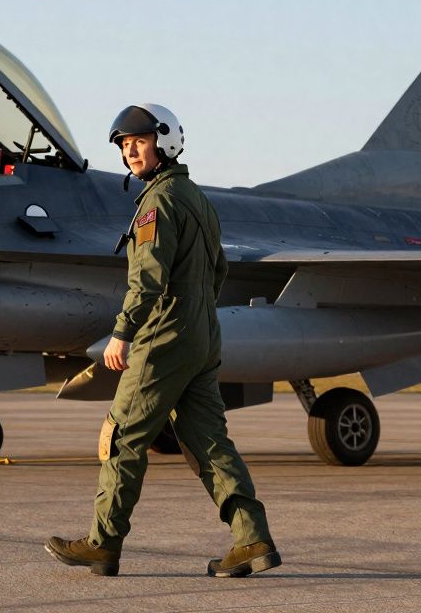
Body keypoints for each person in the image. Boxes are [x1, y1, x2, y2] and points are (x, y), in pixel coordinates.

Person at [46, 104, 278, 578]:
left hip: (162, 334)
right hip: (201, 334)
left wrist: (123, 332)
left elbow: (148, 277)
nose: (130, 150)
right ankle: (251, 538)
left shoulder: (156, 203)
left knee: (123, 435)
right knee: (211, 443)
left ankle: (103, 542)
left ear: (164, 141)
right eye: (124, 143)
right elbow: (220, 269)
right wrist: (194, 316)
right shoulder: (197, 197)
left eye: (140, 140)